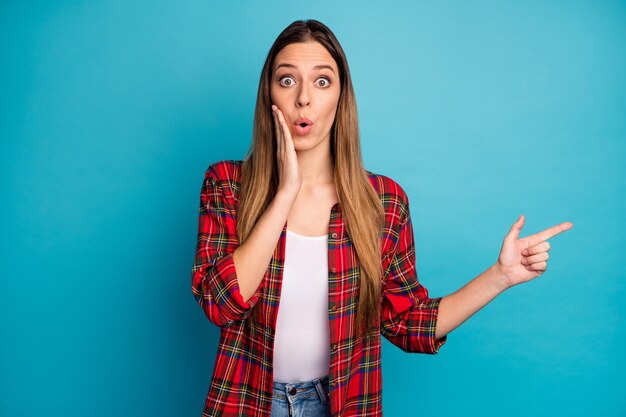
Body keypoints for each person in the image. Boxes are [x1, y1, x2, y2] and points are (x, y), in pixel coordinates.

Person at [191, 19, 573, 417]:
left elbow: (409, 323)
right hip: (247, 403)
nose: (303, 98)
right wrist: (285, 193)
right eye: (287, 80)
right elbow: (220, 305)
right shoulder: (227, 185)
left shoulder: (383, 202)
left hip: (341, 405)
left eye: (322, 82)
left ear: (341, 97)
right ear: (268, 93)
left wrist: (502, 275)